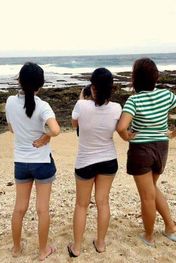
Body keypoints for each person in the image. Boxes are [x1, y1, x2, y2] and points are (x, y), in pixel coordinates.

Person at [116, 58, 176, 246]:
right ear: (155, 76)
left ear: (134, 78)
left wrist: (127, 137)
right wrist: (173, 134)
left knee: (147, 196)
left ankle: (149, 236)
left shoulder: (134, 100)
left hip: (141, 150)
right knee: (151, 189)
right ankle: (170, 228)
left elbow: (121, 127)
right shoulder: (167, 95)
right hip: (161, 148)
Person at [5, 62, 60, 260]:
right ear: (40, 85)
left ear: (19, 81)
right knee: (42, 209)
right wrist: (46, 137)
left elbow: (11, 129)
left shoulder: (10, 102)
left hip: (21, 162)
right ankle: (43, 250)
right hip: (42, 162)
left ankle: (16, 249)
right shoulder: (43, 106)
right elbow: (55, 129)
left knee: (19, 208)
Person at [67, 68, 122, 257]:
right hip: (108, 159)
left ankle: (77, 247)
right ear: (111, 88)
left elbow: (75, 125)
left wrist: (82, 98)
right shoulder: (117, 108)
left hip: (85, 161)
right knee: (103, 203)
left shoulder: (81, 106)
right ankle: (100, 243)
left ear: (92, 86)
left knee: (81, 205)